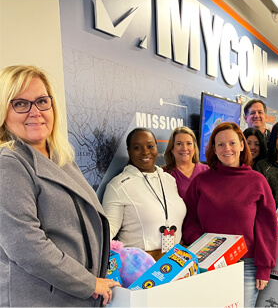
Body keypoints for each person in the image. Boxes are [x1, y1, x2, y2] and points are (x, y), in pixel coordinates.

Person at [0, 65, 119, 306]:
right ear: (4, 112)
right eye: (21, 104)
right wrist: (88, 283)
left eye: (42, 101)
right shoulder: (8, 163)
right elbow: (25, 245)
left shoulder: (61, 158)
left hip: (76, 297)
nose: (35, 112)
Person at [183, 122, 277, 308]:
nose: (227, 149)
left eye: (232, 143)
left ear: (242, 145)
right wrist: (201, 243)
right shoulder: (201, 181)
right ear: (214, 150)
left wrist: (264, 268)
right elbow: (190, 219)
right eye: (220, 144)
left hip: (246, 266)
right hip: (207, 264)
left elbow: (267, 228)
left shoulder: (257, 181)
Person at [102, 128, 186, 261]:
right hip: (139, 265)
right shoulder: (118, 186)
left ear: (156, 148)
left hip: (175, 260)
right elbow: (107, 231)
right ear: (129, 151)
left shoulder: (169, 179)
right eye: (137, 147)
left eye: (150, 146)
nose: (145, 151)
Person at [163, 126, 208, 198]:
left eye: (189, 143)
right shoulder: (164, 173)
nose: (184, 148)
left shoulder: (207, 170)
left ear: (194, 147)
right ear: (172, 148)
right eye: (179, 144)